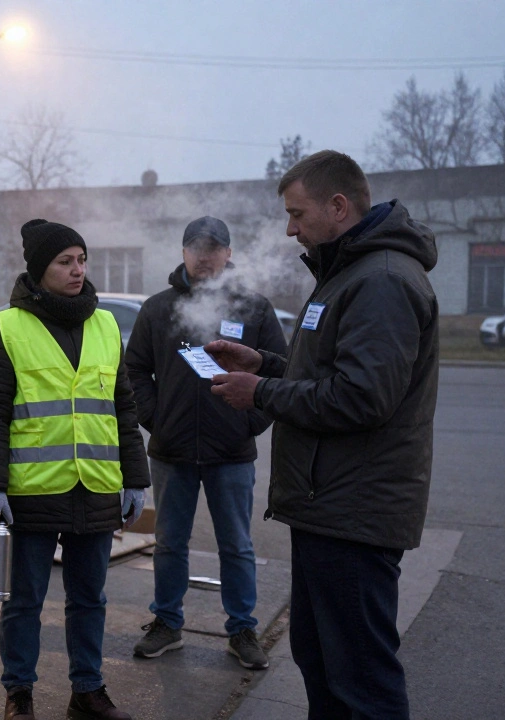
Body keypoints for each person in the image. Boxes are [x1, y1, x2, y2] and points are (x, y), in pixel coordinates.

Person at [208, 150, 438, 719]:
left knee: (361, 679)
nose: (291, 229)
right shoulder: (349, 273)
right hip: (328, 507)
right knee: (323, 662)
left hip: (353, 512)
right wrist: (263, 364)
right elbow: (330, 376)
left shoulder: (381, 280)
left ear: (338, 207)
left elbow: (362, 399)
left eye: (297, 214)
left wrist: (257, 393)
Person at [0, 219, 150, 720]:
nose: (78, 270)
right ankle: (19, 693)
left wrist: (136, 477)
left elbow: (123, 408)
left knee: (90, 598)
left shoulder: (105, 325)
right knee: (25, 600)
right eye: (65, 262)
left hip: (95, 486)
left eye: (82, 259)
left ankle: (88, 690)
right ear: (39, 270)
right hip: (31, 489)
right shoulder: (7, 326)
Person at [126, 216, 287, 670]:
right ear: (182, 253)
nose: (204, 255)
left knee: (236, 543)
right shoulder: (158, 309)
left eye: (214, 247)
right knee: (169, 542)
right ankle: (167, 624)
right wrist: (156, 419)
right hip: (172, 450)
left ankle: (241, 629)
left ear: (229, 253)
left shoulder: (253, 308)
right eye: (195, 247)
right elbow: (134, 370)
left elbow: (281, 370)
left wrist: (250, 420)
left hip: (231, 452)